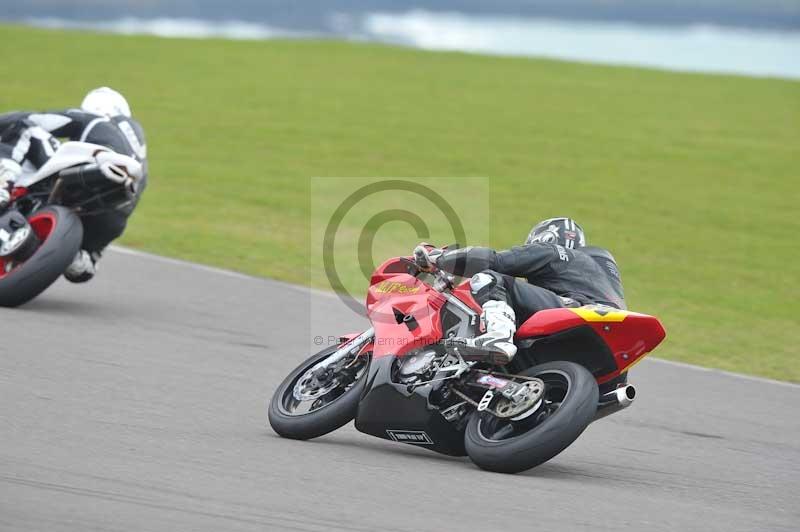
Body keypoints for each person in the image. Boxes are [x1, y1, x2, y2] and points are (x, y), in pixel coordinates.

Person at [417, 217, 625, 365]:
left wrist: (439, 259)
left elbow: (493, 260)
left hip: (576, 310)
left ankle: (498, 337)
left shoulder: (553, 252)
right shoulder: (601, 274)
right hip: (606, 347)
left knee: (488, 278)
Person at [0, 87, 148, 282]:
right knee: (83, 268)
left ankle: (3, 186)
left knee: (23, 127)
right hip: (115, 216)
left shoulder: (97, 119)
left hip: (90, 174)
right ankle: (81, 258)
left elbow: (35, 118)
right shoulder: (140, 154)